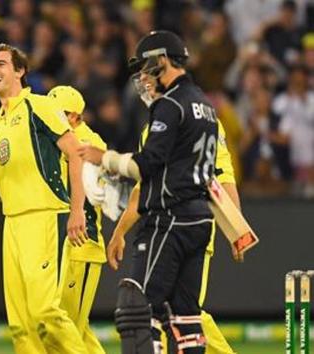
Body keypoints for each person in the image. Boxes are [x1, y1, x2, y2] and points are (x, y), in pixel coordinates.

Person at [79, 30, 218, 353]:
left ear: (163, 60)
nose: (141, 77)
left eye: (145, 67)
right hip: (199, 219)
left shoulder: (170, 104)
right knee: (185, 318)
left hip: (169, 219)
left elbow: (147, 165)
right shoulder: (205, 105)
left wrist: (105, 159)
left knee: (136, 308)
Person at [0, 43, 88, 354]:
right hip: (11, 223)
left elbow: (76, 154)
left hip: (44, 216)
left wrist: (77, 210)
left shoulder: (39, 106)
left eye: (1, 63)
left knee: (44, 312)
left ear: (20, 71)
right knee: (21, 325)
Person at [108, 78, 241, 354]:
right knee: (173, 313)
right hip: (166, 227)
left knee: (183, 314)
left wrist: (236, 229)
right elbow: (143, 189)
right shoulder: (161, 127)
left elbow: (222, 178)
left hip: (187, 223)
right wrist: (120, 231)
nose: (145, 90)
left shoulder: (196, 121)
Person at [48, 85, 108, 354]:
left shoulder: (87, 144)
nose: (51, 119)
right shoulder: (66, 140)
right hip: (68, 241)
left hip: (84, 241)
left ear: (74, 117)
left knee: (68, 325)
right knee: (74, 328)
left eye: (58, 114)